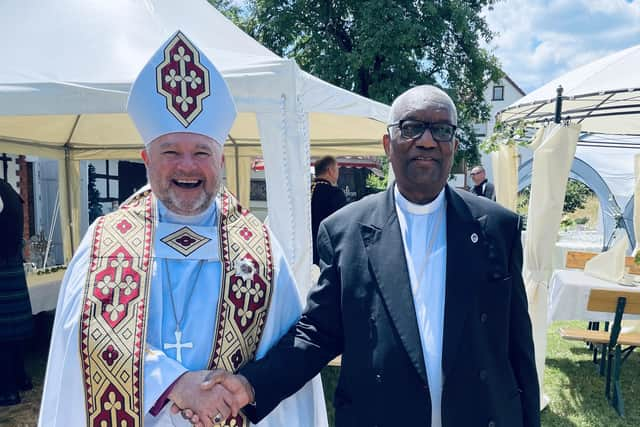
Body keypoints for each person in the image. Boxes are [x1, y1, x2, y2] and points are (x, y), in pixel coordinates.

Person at [200, 85, 540, 427]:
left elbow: (518, 346)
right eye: (411, 127)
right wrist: (250, 384)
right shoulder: (345, 232)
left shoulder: (497, 227)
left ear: (453, 144)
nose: (427, 140)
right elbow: (318, 332)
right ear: (387, 145)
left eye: (441, 130)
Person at [38, 30, 326, 427]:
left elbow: (285, 353)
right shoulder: (105, 242)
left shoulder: (259, 248)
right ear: (146, 159)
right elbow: (79, 342)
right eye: (171, 152)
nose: (186, 167)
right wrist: (172, 382)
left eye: (200, 152)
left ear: (220, 160)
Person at [0, 178, 34, 406]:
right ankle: (21, 378)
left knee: (3, 336)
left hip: (3, 266)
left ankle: (7, 390)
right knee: (11, 335)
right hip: (10, 264)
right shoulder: (7, 189)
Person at [311, 156, 346, 265]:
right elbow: (341, 226)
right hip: (325, 251)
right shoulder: (335, 194)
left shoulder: (304, 191)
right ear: (330, 171)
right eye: (337, 169)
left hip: (304, 249)